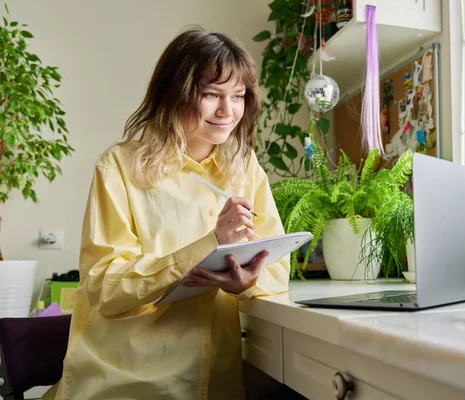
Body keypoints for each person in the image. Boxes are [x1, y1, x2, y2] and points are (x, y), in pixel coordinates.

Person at [43, 26, 290, 400]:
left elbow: (276, 266)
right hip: (131, 383)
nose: (228, 111)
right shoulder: (119, 167)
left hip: (219, 383)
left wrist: (249, 280)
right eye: (211, 94)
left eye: (238, 96)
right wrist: (210, 246)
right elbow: (104, 286)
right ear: (175, 92)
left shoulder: (244, 166)